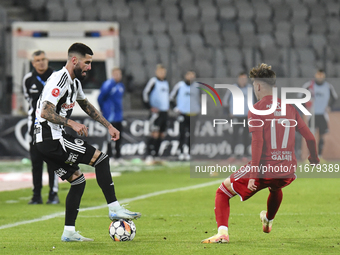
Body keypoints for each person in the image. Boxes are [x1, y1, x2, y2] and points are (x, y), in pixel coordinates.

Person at [201, 63, 319, 244]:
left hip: (263, 170)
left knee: (222, 192)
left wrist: (253, 176)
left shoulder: (256, 109)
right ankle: (268, 220)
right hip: (287, 171)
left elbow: (257, 143)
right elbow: (310, 138)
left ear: (257, 86)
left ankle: (223, 233)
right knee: (276, 187)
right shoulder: (290, 108)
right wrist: (314, 159)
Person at [34, 43, 141, 242]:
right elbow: (45, 111)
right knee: (101, 159)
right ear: (74, 60)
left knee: (78, 181)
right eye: (87, 62)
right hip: (51, 139)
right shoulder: (60, 79)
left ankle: (69, 232)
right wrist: (71, 122)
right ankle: (114, 208)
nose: (89, 67)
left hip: (45, 142)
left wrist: (108, 126)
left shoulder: (74, 83)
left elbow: (86, 105)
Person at [23, 50, 59, 204]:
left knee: (53, 161)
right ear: (33, 63)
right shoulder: (28, 79)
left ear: (48, 60)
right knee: (36, 161)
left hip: (53, 126)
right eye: (37, 60)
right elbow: (28, 100)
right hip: (35, 125)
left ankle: (53, 193)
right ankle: (36, 195)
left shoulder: (57, 77)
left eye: (43, 59)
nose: (41, 62)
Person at [302, 69, 338, 159]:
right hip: (312, 115)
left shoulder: (328, 86)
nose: (320, 77)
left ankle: (320, 156)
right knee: (311, 136)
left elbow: (335, 98)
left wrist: (329, 106)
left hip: (322, 114)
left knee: (322, 136)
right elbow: (301, 97)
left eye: (321, 75)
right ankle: (310, 156)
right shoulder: (309, 86)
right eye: (318, 75)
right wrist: (306, 107)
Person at [222, 72, 255, 163]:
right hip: (236, 116)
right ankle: (233, 154)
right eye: (241, 78)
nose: (242, 80)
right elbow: (225, 101)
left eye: (244, 79)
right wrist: (229, 112)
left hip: (247, 116)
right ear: (238, 79)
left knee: (246, 135)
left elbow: (255, 101)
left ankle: (245, 154)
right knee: (234, 135)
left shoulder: (250, 88)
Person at [170, 70, 200, 161]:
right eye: (189, 75)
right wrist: (176, 108)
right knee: (182, 133)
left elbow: (203, 98)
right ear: (185, 76)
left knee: (192, 134)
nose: (190, 77)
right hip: (182, 113)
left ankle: (190, 152)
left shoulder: (197, 87)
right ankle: (181, 152)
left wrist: (200, 109)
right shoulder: (180, 86)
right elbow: (171, 98)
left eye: (192, 75)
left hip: (194, 114)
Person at [142, 64, 170, 165]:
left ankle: (156, 155)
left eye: (164, 72)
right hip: (156, 113)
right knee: (154, 133)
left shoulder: (166, 82)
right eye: (161, 72)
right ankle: (149, 154)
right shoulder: (153, 81)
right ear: (157, 72)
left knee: (162, 134)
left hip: (164, 112)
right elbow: (145, 93)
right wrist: (149, 107)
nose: (162, 74)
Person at [97, 67, 125, 166]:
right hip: (110, 115)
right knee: (110, 137)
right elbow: (100, 98)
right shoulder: (108, 85)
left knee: (119, 136)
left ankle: (118, 156)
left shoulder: (121, 85)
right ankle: (110, 156)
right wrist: (103, 109)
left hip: (119, 115)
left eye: (120, 74)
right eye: (116, 74)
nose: (118, 76)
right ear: (113, 74)